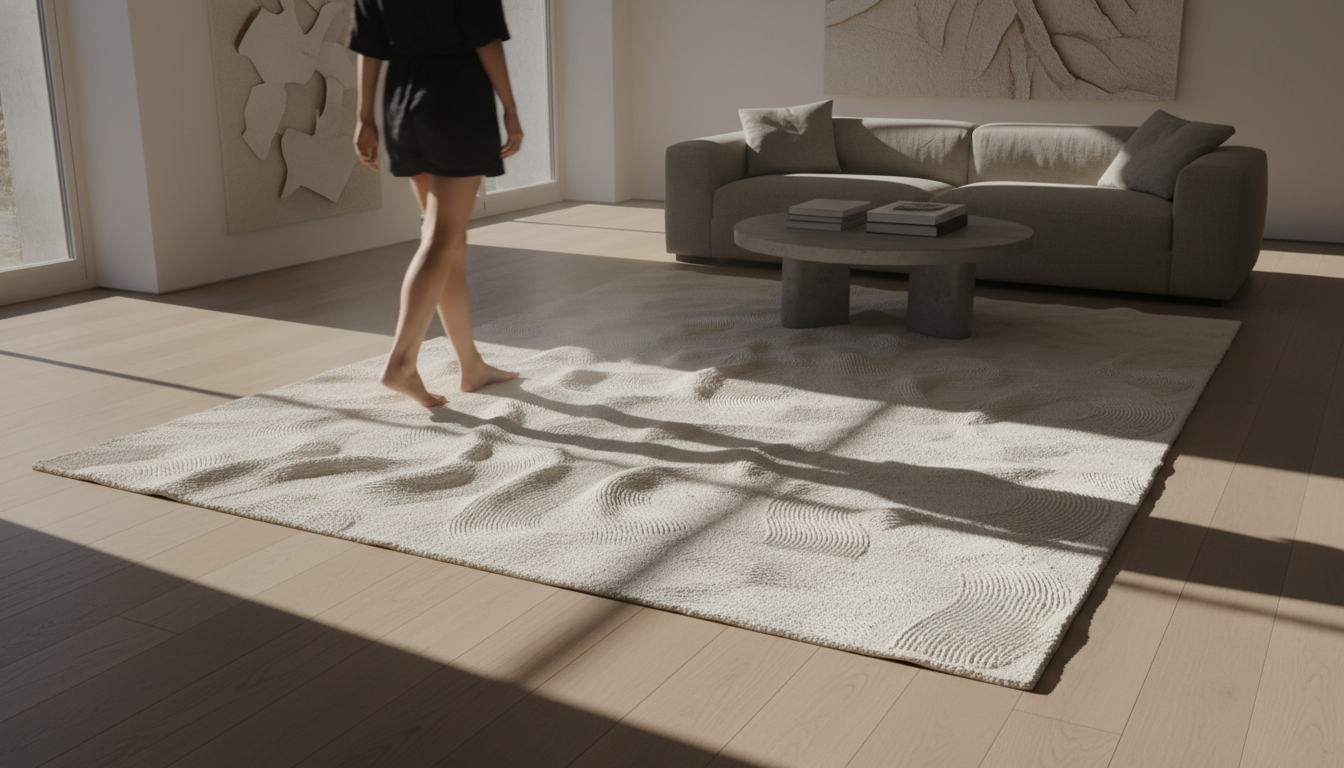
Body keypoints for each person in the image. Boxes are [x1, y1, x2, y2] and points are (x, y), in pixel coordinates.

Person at [348, 0, 523, 407]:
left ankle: (471, 365)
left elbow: (369, 45)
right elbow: (486, 40)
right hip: (455, 99)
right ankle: (402, 363)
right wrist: (510, 109)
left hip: (401, 104)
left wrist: (364, 117)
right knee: (442, 238)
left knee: (448, 241)